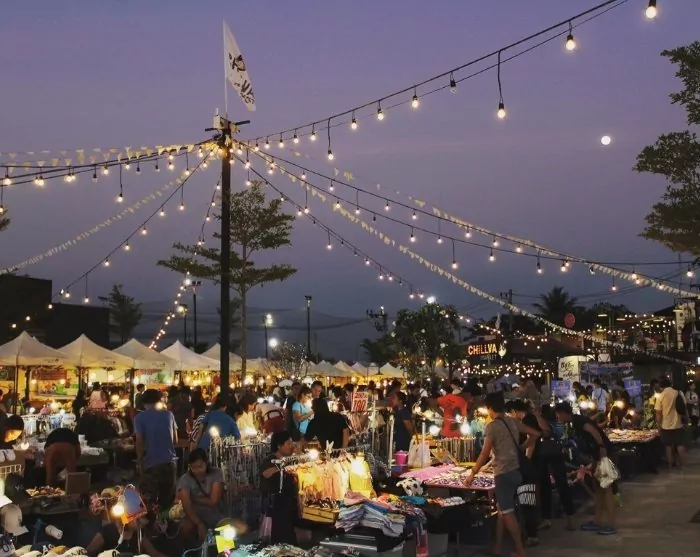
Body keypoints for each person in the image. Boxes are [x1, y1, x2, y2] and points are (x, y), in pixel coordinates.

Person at [466, 393, 540, 557]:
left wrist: (472, 473)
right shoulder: (512, 421)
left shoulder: (491, 426)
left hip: (503, 474)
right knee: (502, 510)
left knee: (507, 513)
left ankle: (520, 550)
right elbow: (535, 433)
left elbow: (484, 453)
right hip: (516, 471)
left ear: (490, 408)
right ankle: (498, 547)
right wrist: (522, 447)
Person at [555, 402, 617, 535]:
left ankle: (611, 525)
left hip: (603, 454)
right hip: (597, 456)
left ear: (564, 413)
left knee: (607, 489)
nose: (558, 417)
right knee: (598, 487)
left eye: (559, 414)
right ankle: (597, 521)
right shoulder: (574, 422)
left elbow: (593, 431)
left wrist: (601, 447)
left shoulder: (578, 420)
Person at [134, 389, 178, 510]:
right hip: (170, 463)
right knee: (167, 502)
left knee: (149, 501)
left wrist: (140, 462)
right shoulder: (169, 415)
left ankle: (152, 520)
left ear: (144, 403)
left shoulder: (139, 418)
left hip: (151, 464)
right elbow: (175, 440)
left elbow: (139, 442)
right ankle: (166, 520)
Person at [177, 448, 226, 542]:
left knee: (225, 532)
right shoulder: (185, 479)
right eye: (193, 467)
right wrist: (198, 523)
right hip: (194, 515)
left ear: (206, 463)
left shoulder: (216, 473)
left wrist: (193, 498)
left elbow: (213, 501)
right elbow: (187, 506)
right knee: (186, 528)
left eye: (200, 466)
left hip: (216, 514)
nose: (197, 470)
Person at [260, 431, 297, 545]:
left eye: (292, 443)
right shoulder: (270, 460)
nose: (292, 446)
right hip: (276, 506)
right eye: (288, 443)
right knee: (281, 537)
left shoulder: (290, 460)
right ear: (279, 446)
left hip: (287, 505)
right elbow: (266, 473)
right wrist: (283, 467)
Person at [86, 515, 167, 557]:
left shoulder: (139, 533)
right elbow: (88, 552)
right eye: (137, 518)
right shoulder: (108, 530)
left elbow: (155, 554)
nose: (140, 521)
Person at [655, 376, 687, 470]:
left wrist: (659, 425)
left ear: (661, 386)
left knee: (668, 446)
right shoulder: (677, 393)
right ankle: (683, 465)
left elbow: (658, 412)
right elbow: (683, 407)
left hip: (666, 425)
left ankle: (670, 466)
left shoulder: (661, 396)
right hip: (678, 423)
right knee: (680, 444)